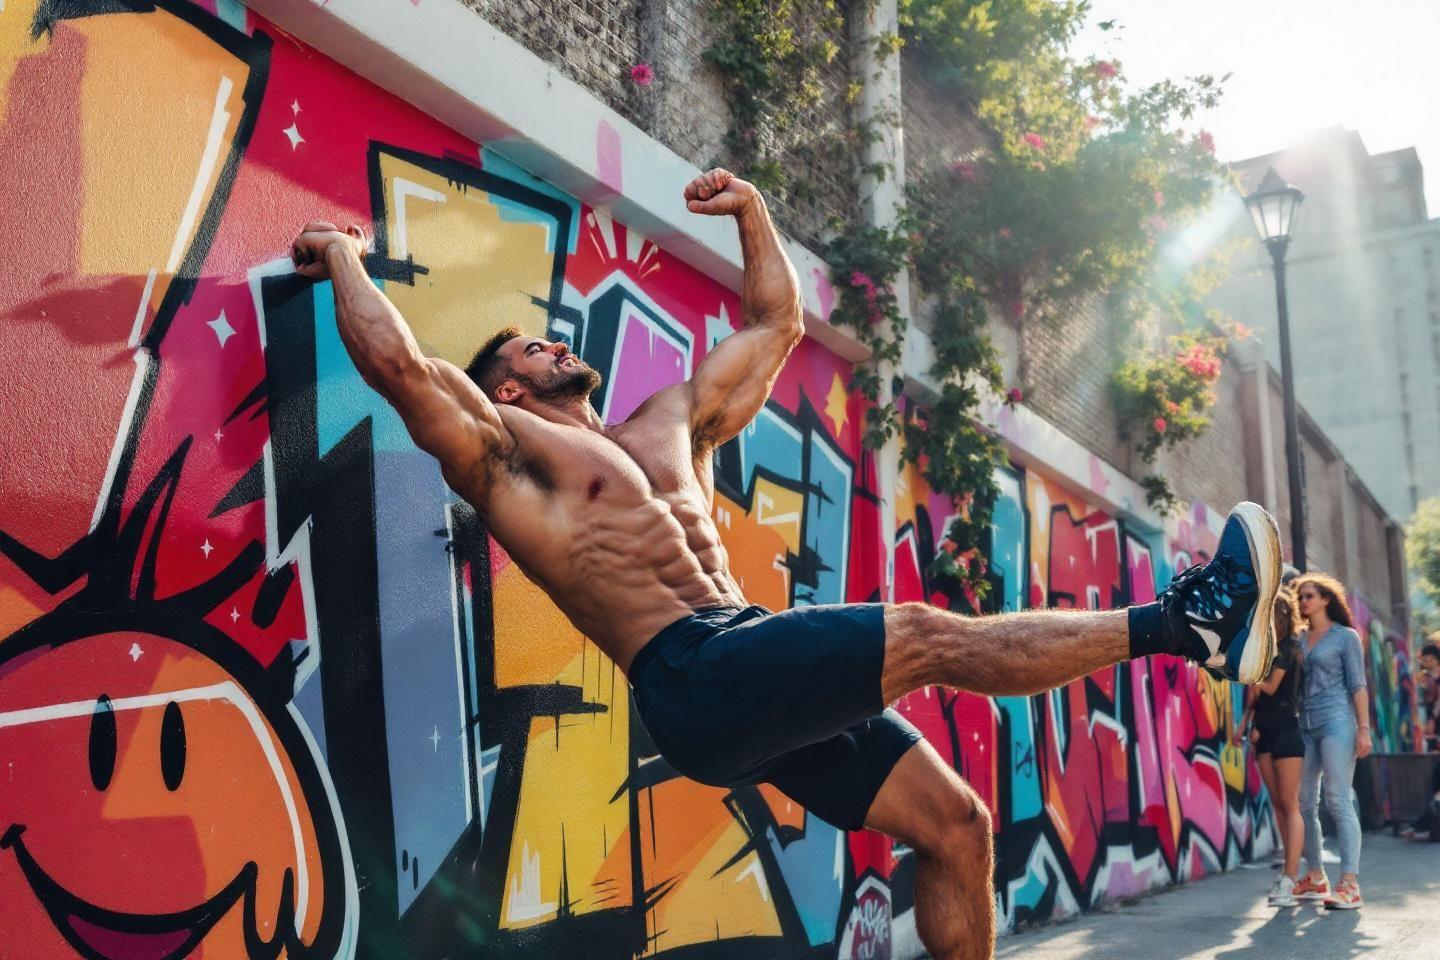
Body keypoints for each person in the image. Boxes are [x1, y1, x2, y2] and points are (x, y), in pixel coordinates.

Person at [289, 168, 1282, 960]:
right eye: (521, 352)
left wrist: (754, 214)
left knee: (958, 823)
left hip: (746, 654)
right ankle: (1188, 622)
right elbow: (401, 368)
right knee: (928, 635)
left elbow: (776, 326)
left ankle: (1190, 624)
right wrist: (341, 254)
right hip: (691, 672)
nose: (548, 345)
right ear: (498, 387)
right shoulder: (510, 457)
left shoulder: (669, 424)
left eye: (546, 339)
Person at [1291, 573, 1369, 910]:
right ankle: (1316, 875)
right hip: (1305, 725)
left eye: (1309, 595)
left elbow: (1358, 685)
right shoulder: (1298, 640)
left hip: (1338, 722)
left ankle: (1349, 883)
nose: (1303, 601)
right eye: (1300, 597)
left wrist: (1363, 728)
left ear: (1325, 599)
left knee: (1338, 800)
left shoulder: (1345, 637)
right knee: (1304, 803)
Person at [1242, 587, 1305, 906]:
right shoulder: (1269, 650)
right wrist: (1247, 725)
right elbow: (1256, 699)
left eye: (1266, 615)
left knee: (1290, 802)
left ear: (1279, 615)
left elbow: (1269, 686)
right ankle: (1289, 865)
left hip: (1286, 729)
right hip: (1264, 732)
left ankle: (1291, 877)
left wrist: (1250, 675)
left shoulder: (1289, 647)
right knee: (1278, 803)